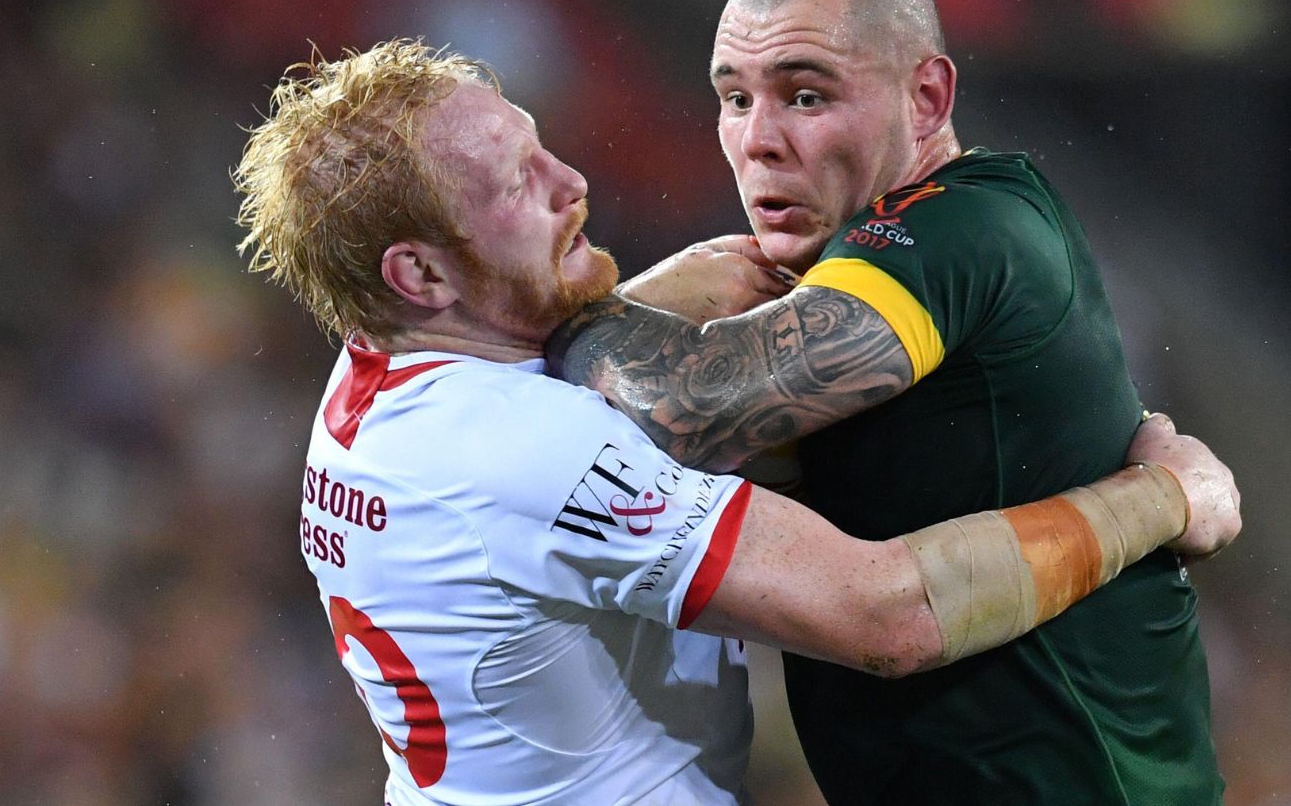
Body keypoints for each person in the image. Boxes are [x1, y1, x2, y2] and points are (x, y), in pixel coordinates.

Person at [233, 40, 1239, 805]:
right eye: (516, 186)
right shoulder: (524, 457)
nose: (570, 183)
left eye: (540, 146)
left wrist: (657, 295)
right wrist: (1155, 497)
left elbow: (511, 382)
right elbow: (885, 616)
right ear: (419, 273)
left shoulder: (374, 366)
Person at [547, 0, 1233, 805]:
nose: (758, 139)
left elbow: (687, 406)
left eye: (804, 94)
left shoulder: (960, 228)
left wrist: (579, 302)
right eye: (732, 97)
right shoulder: (855, 269)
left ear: (927, 96)